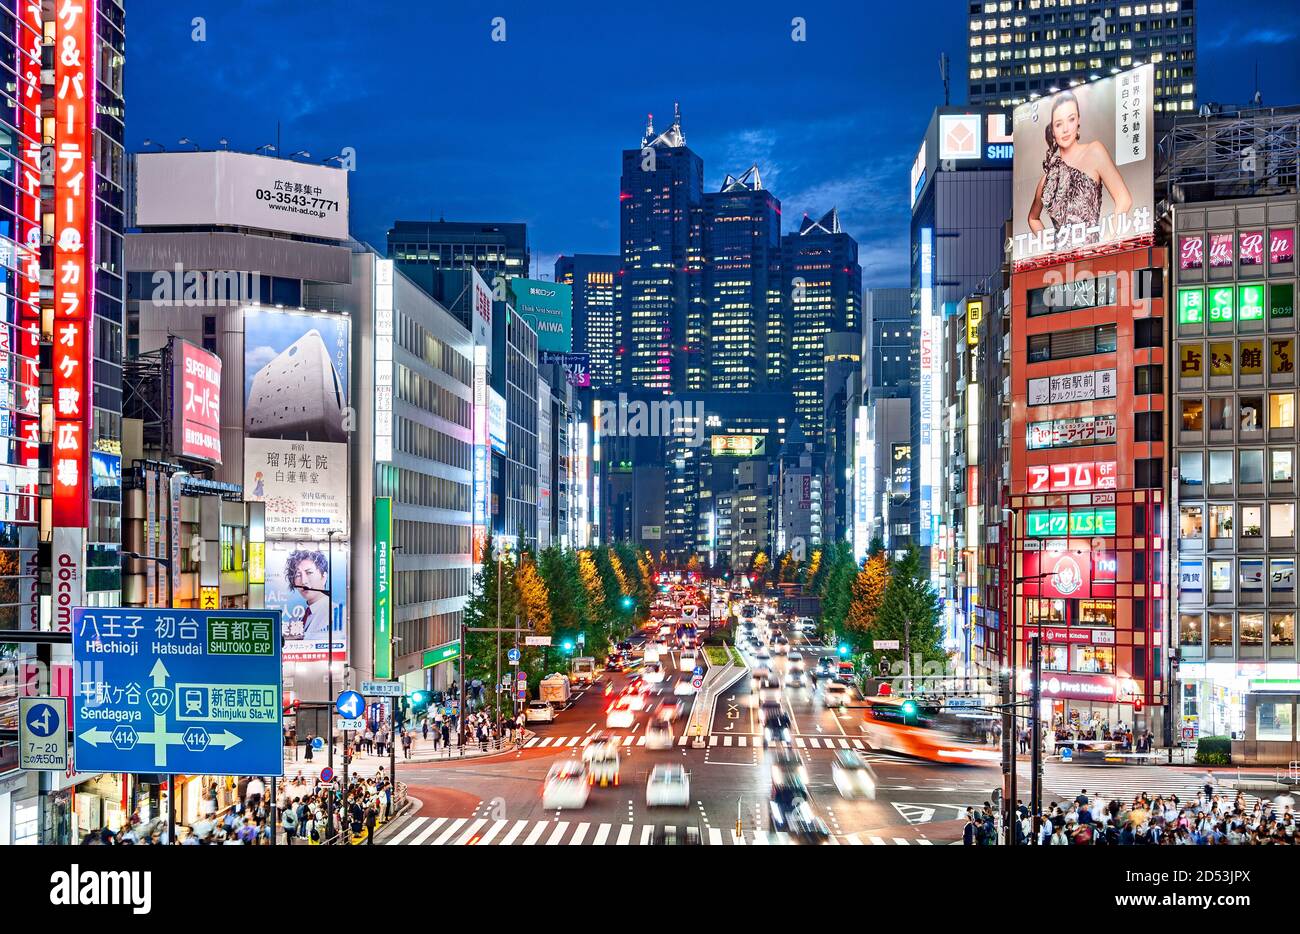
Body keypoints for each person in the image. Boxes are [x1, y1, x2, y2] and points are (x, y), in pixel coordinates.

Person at [1026, 89, 1133, 244]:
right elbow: (1033, 218)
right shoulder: (1048, 179)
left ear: (1078, 121)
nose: (1065, 129)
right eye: (1058, 124)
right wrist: (1052, 246)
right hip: (1061, 264)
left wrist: (1106, 245)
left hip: (1092, 260)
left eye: (1071, 119)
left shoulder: (1095, 151)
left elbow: (1124, 199)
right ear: (1053, 130)